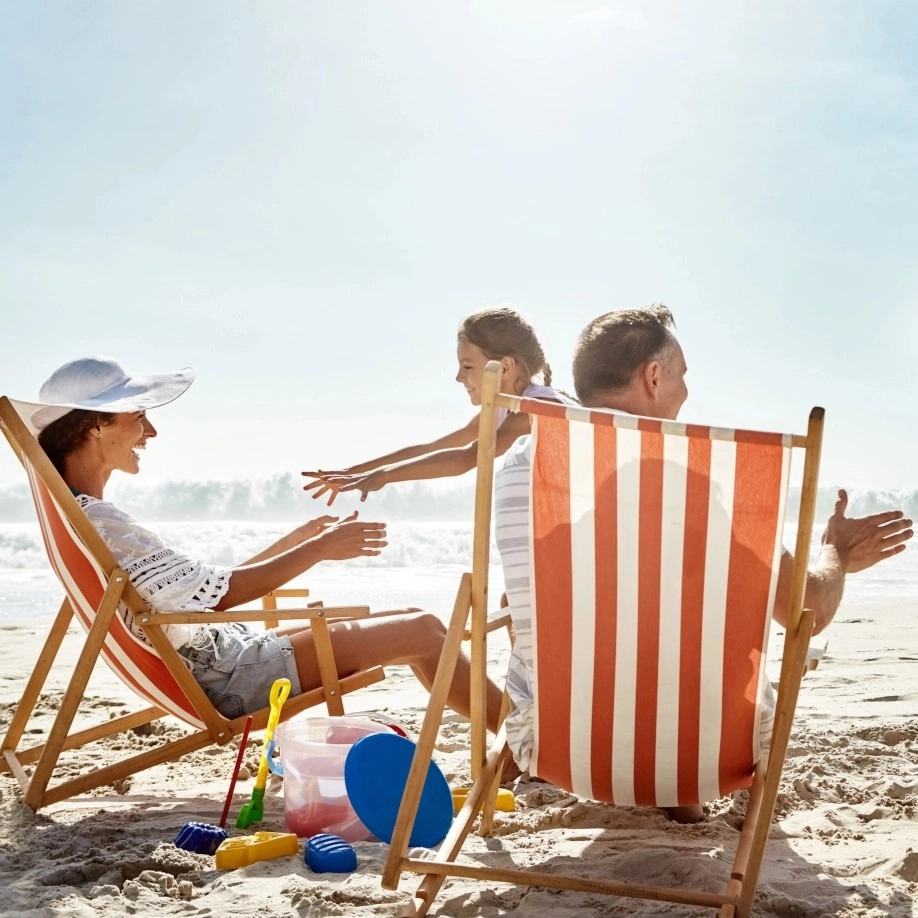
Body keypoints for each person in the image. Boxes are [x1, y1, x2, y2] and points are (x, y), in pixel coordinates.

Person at [495, 305, 914, 821]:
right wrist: (838, 551)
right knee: (683, 624)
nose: (686, 390)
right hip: (698, 753)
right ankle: (679, 795)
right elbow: (807, 608)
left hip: (556, 743)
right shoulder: (691, 475)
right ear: (653, 376)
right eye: (682, 374)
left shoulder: (520, 466)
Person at [24, 356, 506, 733]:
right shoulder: (107, 525)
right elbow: (223, 596)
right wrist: (319, 550)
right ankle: (521, 741)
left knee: (422, 624)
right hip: (232, 677)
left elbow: (198, 597)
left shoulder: (81, 519)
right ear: (96, 425)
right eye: (139, 416)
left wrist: (293, 541)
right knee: (421, 630)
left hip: (227, 656)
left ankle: (511, 739)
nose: (150, 432)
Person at [301, 305, 571, 506]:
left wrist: (383, 476)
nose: (458, 377)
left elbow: (468, 457)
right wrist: (355, 471)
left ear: (506, 367)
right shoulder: (503, 409)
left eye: (467, 366)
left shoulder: (537, 408)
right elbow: (433, 449)